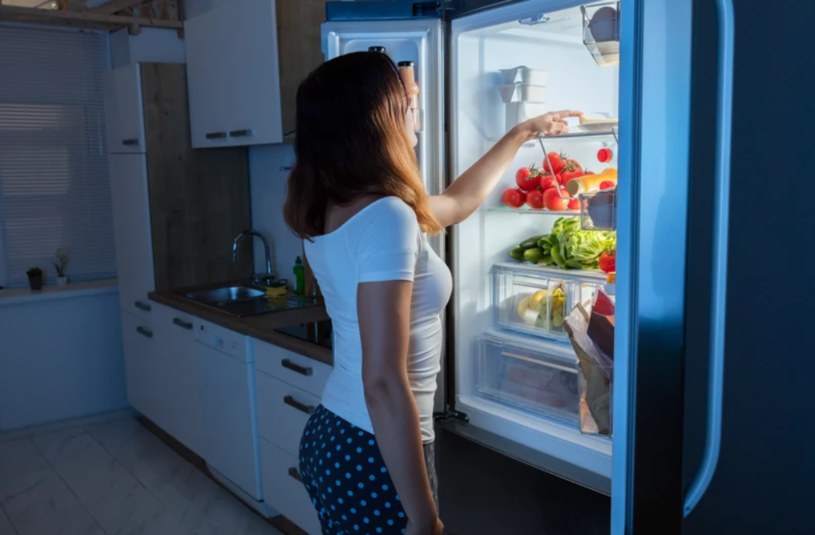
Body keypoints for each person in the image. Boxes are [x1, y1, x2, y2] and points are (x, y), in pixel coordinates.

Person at [283, 51, 579, 535]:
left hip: (334, 431)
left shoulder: (330, 209)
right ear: (378, 118)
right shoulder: (386, 218)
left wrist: (522, 132)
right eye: (407, 101)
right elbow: (381, 381)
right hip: (375, 445)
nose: (414, 108)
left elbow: (458, 202)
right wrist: (424, 519)